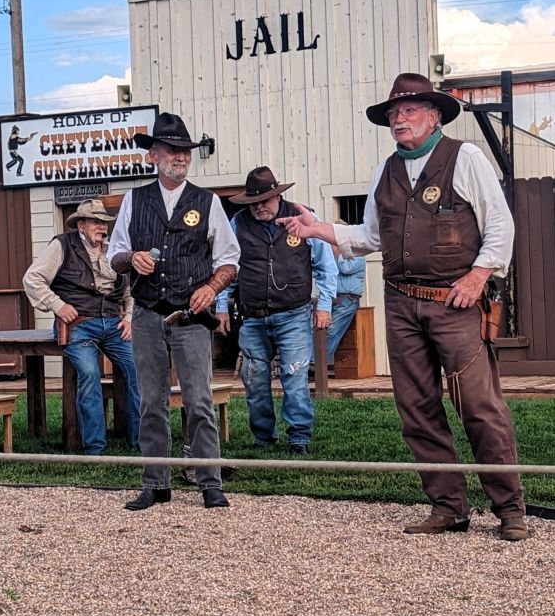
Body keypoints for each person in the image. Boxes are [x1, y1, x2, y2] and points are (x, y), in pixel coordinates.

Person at [279, 73, 528, 540]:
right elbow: (370, 237)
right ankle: (447, 507)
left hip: (456, 303)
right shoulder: (385, 170)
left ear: (434, 116)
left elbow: (500, 225)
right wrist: (320, 229)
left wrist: (479, 275)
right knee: (416, 408)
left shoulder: (465, 157)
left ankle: (510, 509)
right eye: (394, 113)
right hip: (401, 304)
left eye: (410, 110)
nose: (399, 119)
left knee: (478, 405)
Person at [107, 112, 240, 512]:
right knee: (151, 402)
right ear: (154, 156)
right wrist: (133, 259)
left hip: (190, 316)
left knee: (199, 401)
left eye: (185, 151)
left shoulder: (208, 201)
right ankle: (155, 483)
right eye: (172, 150)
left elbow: (230, 258)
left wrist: (211, 288)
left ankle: (209, 482)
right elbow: (114, 256)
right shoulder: (134, 199)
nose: (180, 157)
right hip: (147, 314)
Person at [215, 166, 337, 454]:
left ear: (277, 196)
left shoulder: (303, 217)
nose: (259, 207)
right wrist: (221, 306)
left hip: (293, 313)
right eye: (253, 203)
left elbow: (325, 265)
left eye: (264, 201)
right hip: (252, 316)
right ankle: (263, 437)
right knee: (254, 380)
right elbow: (228, 267)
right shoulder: (238, 223)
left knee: (294, 377)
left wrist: (325, 304)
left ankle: (299, 437)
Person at [22, 198, 141, 456]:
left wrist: (129, 317)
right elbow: (32, 279)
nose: (102, 227)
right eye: (97, 222)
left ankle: (139, 442)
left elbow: (131, 290)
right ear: (82, 224)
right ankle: (95, 448)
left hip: (113, 324)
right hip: (79, 325)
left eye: (104, 222)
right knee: (89, 374)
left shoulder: (114, 250)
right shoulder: (62, 245)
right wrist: (57, 305)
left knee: (138, 370)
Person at [325, 235, 366, 365]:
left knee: (331, 330)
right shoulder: (331, 256)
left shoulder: (359, 256)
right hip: (332, 298)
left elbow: (346, 268)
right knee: (317, 330)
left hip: (348, 300)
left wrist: (336, 253)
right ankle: (311, 363)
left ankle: (315, 366)